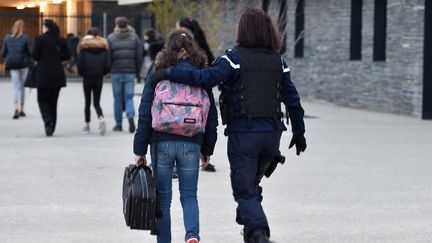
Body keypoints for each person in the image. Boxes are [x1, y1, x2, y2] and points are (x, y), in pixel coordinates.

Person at [151, 8, 307, 243]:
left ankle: (259, 233)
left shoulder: (234, 58)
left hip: (244, 134)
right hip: (272, 136)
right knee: (251, 187)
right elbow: (292, 99)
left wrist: (170, 72)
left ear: (243, 31)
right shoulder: (278, 61)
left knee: (244, 191)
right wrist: (299, 131)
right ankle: (251, 231)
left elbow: (206, 79)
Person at [133, 29, 218, 243]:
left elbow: (145, 112)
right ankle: (192, 235)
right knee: (189, 195)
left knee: (163, 198)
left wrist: (139, 150)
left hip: (162, 140)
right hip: (191, 141)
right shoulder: (201, 73)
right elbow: (211, 115)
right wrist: (207, 149)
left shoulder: (158, 70)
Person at [176, 17, 217, 172]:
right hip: (200, 97)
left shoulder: (185, 50)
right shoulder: (203, 48)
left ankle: (177, 160)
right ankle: (202, 153)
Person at [32, 19, 70, 136]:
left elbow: (35, 55)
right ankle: (52, 126)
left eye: (43, 26)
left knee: (42, 99)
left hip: (43, 73)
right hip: (57, 73)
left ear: (47, 28)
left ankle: (47, 121)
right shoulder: (61, 40)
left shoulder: (39, 39)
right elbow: (67, 55)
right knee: (53, 102)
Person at [107, 17, 143, 133]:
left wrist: (109, 69)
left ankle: (118, 124)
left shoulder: (111, 38)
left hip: (116, 71)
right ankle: (130, 115)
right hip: (130, 71)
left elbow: (108, 57)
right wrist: (137, 72)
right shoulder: (134, 38)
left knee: (117, 98)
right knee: (129, 97)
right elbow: (139, 56)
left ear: (117, 25)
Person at [77, 27, 110, 135]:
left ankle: (87, 124)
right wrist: (102, 73)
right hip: (98, 77)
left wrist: (83, 73)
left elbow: (80, 66)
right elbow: (107, 66)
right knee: (96, 102)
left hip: (87, 77)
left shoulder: (83, 49)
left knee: (87, 102)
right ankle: (101, 117)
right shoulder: (104, 49)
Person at [1, 19, 32, 119]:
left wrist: (9, 56)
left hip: (12, 64)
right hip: (23, 65)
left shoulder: (7, 37)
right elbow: (30, 51)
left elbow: (3, 53)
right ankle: (22, 109)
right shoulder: (25, 38)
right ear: (23, 27)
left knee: (15, 87)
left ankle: (16, 108)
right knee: (22, 87)